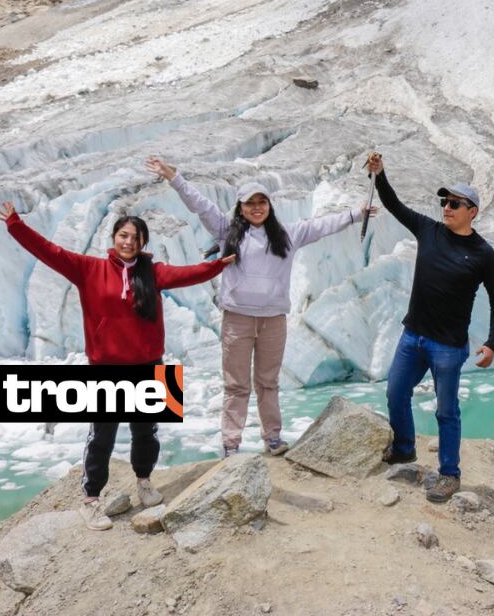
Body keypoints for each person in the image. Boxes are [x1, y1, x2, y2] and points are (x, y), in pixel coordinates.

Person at [0, 202, 234, 530]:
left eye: (136, 237)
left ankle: (144, 482)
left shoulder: (153, 272)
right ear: (114, 237)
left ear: (143, 242)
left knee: (147, 432)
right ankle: (91, 500)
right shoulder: (88, 269)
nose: (129, 242)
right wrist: (15, 225)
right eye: (124, 235)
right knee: (101, 437)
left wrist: (219, 265)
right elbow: (49, 251)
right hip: (105, 367)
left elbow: (189, 273)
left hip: (150, 364)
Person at [145, 157, 376, 457]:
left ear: (269, 205)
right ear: (240, 207)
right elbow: (200, 205)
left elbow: (322, 226)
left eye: (261, 202)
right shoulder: (226, 231)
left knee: (268, 382)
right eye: (250, 203)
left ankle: (272, 438)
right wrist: (173, 177)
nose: (256, 208)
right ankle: (231, 443)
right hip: (237, 319)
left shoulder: (288, 234)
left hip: (272, 320)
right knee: (236, 384)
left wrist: (356, 215)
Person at [364, 151, 494, 503]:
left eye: (455, 203)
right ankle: (404, 448)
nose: (447, 207)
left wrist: (492, 343)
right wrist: (380, 174)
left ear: (472, 211)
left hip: (448, 347)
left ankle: (449, 474)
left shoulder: (483, 254)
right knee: (396, 392)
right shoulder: (429, 230)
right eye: (445, 201)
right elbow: (394, 205)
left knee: (446, 411)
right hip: (413, 335)